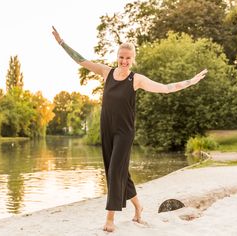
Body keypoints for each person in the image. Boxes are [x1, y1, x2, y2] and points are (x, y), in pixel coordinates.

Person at [52, 26, 207, 232]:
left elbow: (167, 88)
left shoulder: (136, 79)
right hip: (107, 129)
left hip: (124, 132)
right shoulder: (106, 73)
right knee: (118, 172)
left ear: (132, 59)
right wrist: (62, 43)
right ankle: (138, 206)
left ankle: (110, 219)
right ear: (117, 57)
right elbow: (82, 60)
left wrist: (192, 81)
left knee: (115, 171)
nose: (124, 61)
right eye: (121, 57)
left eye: (128, 58)